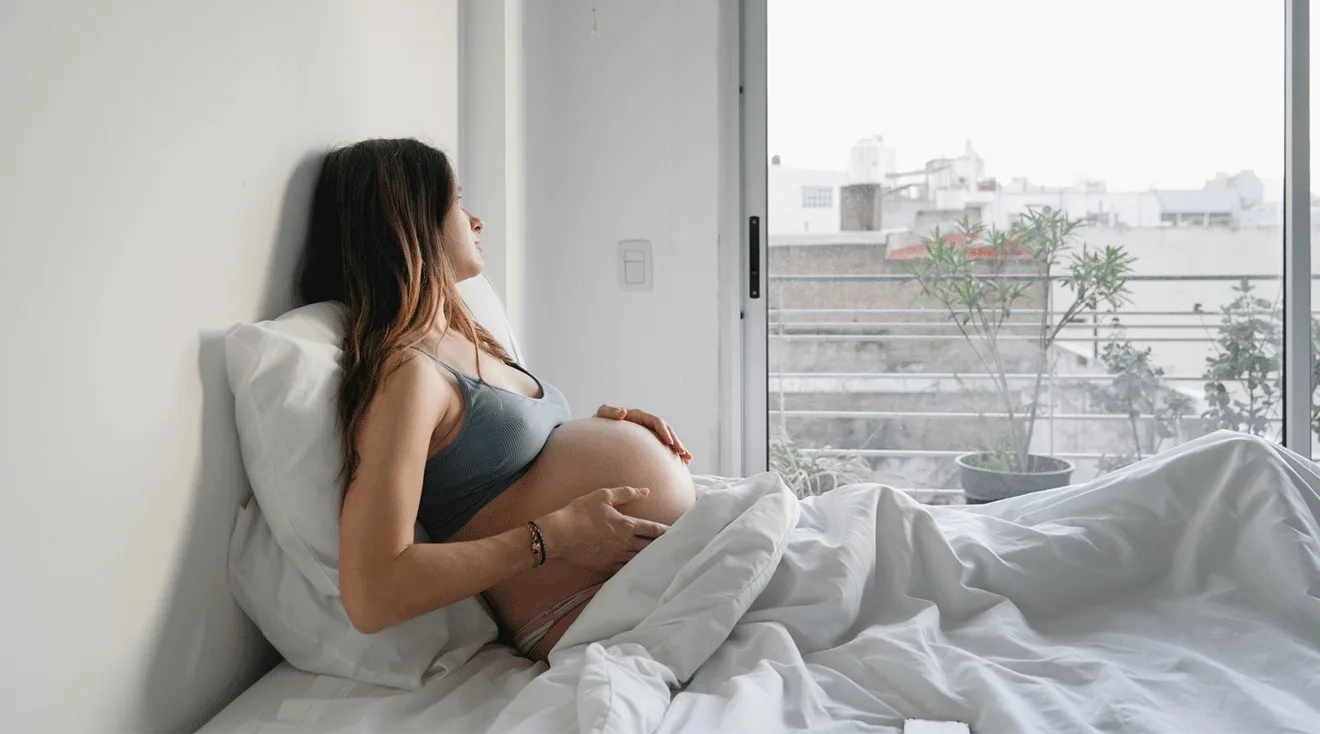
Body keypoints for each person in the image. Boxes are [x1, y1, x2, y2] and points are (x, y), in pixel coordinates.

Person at [296, 138, 698, 661]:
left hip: (636, 579)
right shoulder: (407, 375)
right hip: (582, 607)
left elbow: (513, 467)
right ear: (411, 224)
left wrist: (594, 429)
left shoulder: (466, 334)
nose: (476, 219)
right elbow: (373, 593)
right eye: (457, 203)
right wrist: (555, 534)